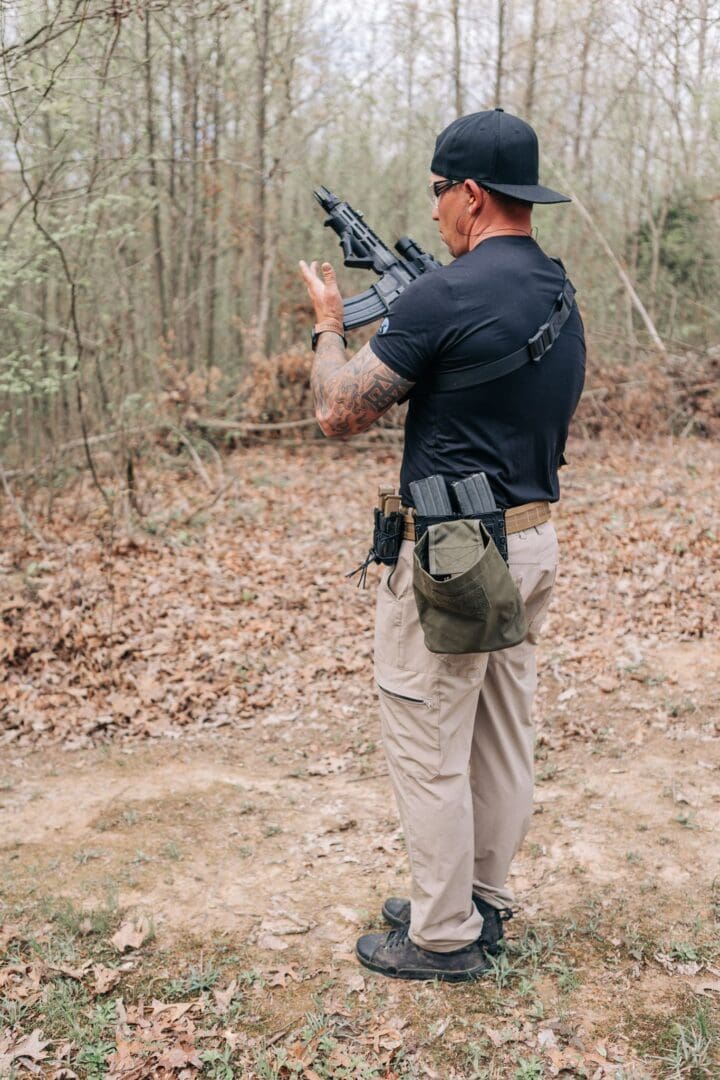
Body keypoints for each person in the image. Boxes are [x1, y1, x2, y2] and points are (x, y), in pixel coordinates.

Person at [299, 108, 585, 982]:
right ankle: (479, 898)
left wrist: (326, 324)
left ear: (470, 194)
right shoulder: (561, 292)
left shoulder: (442, 295)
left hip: (454, 559)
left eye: (435, 193)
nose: (430, 214)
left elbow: (335, 411)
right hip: (531, 545)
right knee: (502, 735)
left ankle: (442, 936)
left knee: (428, 743)